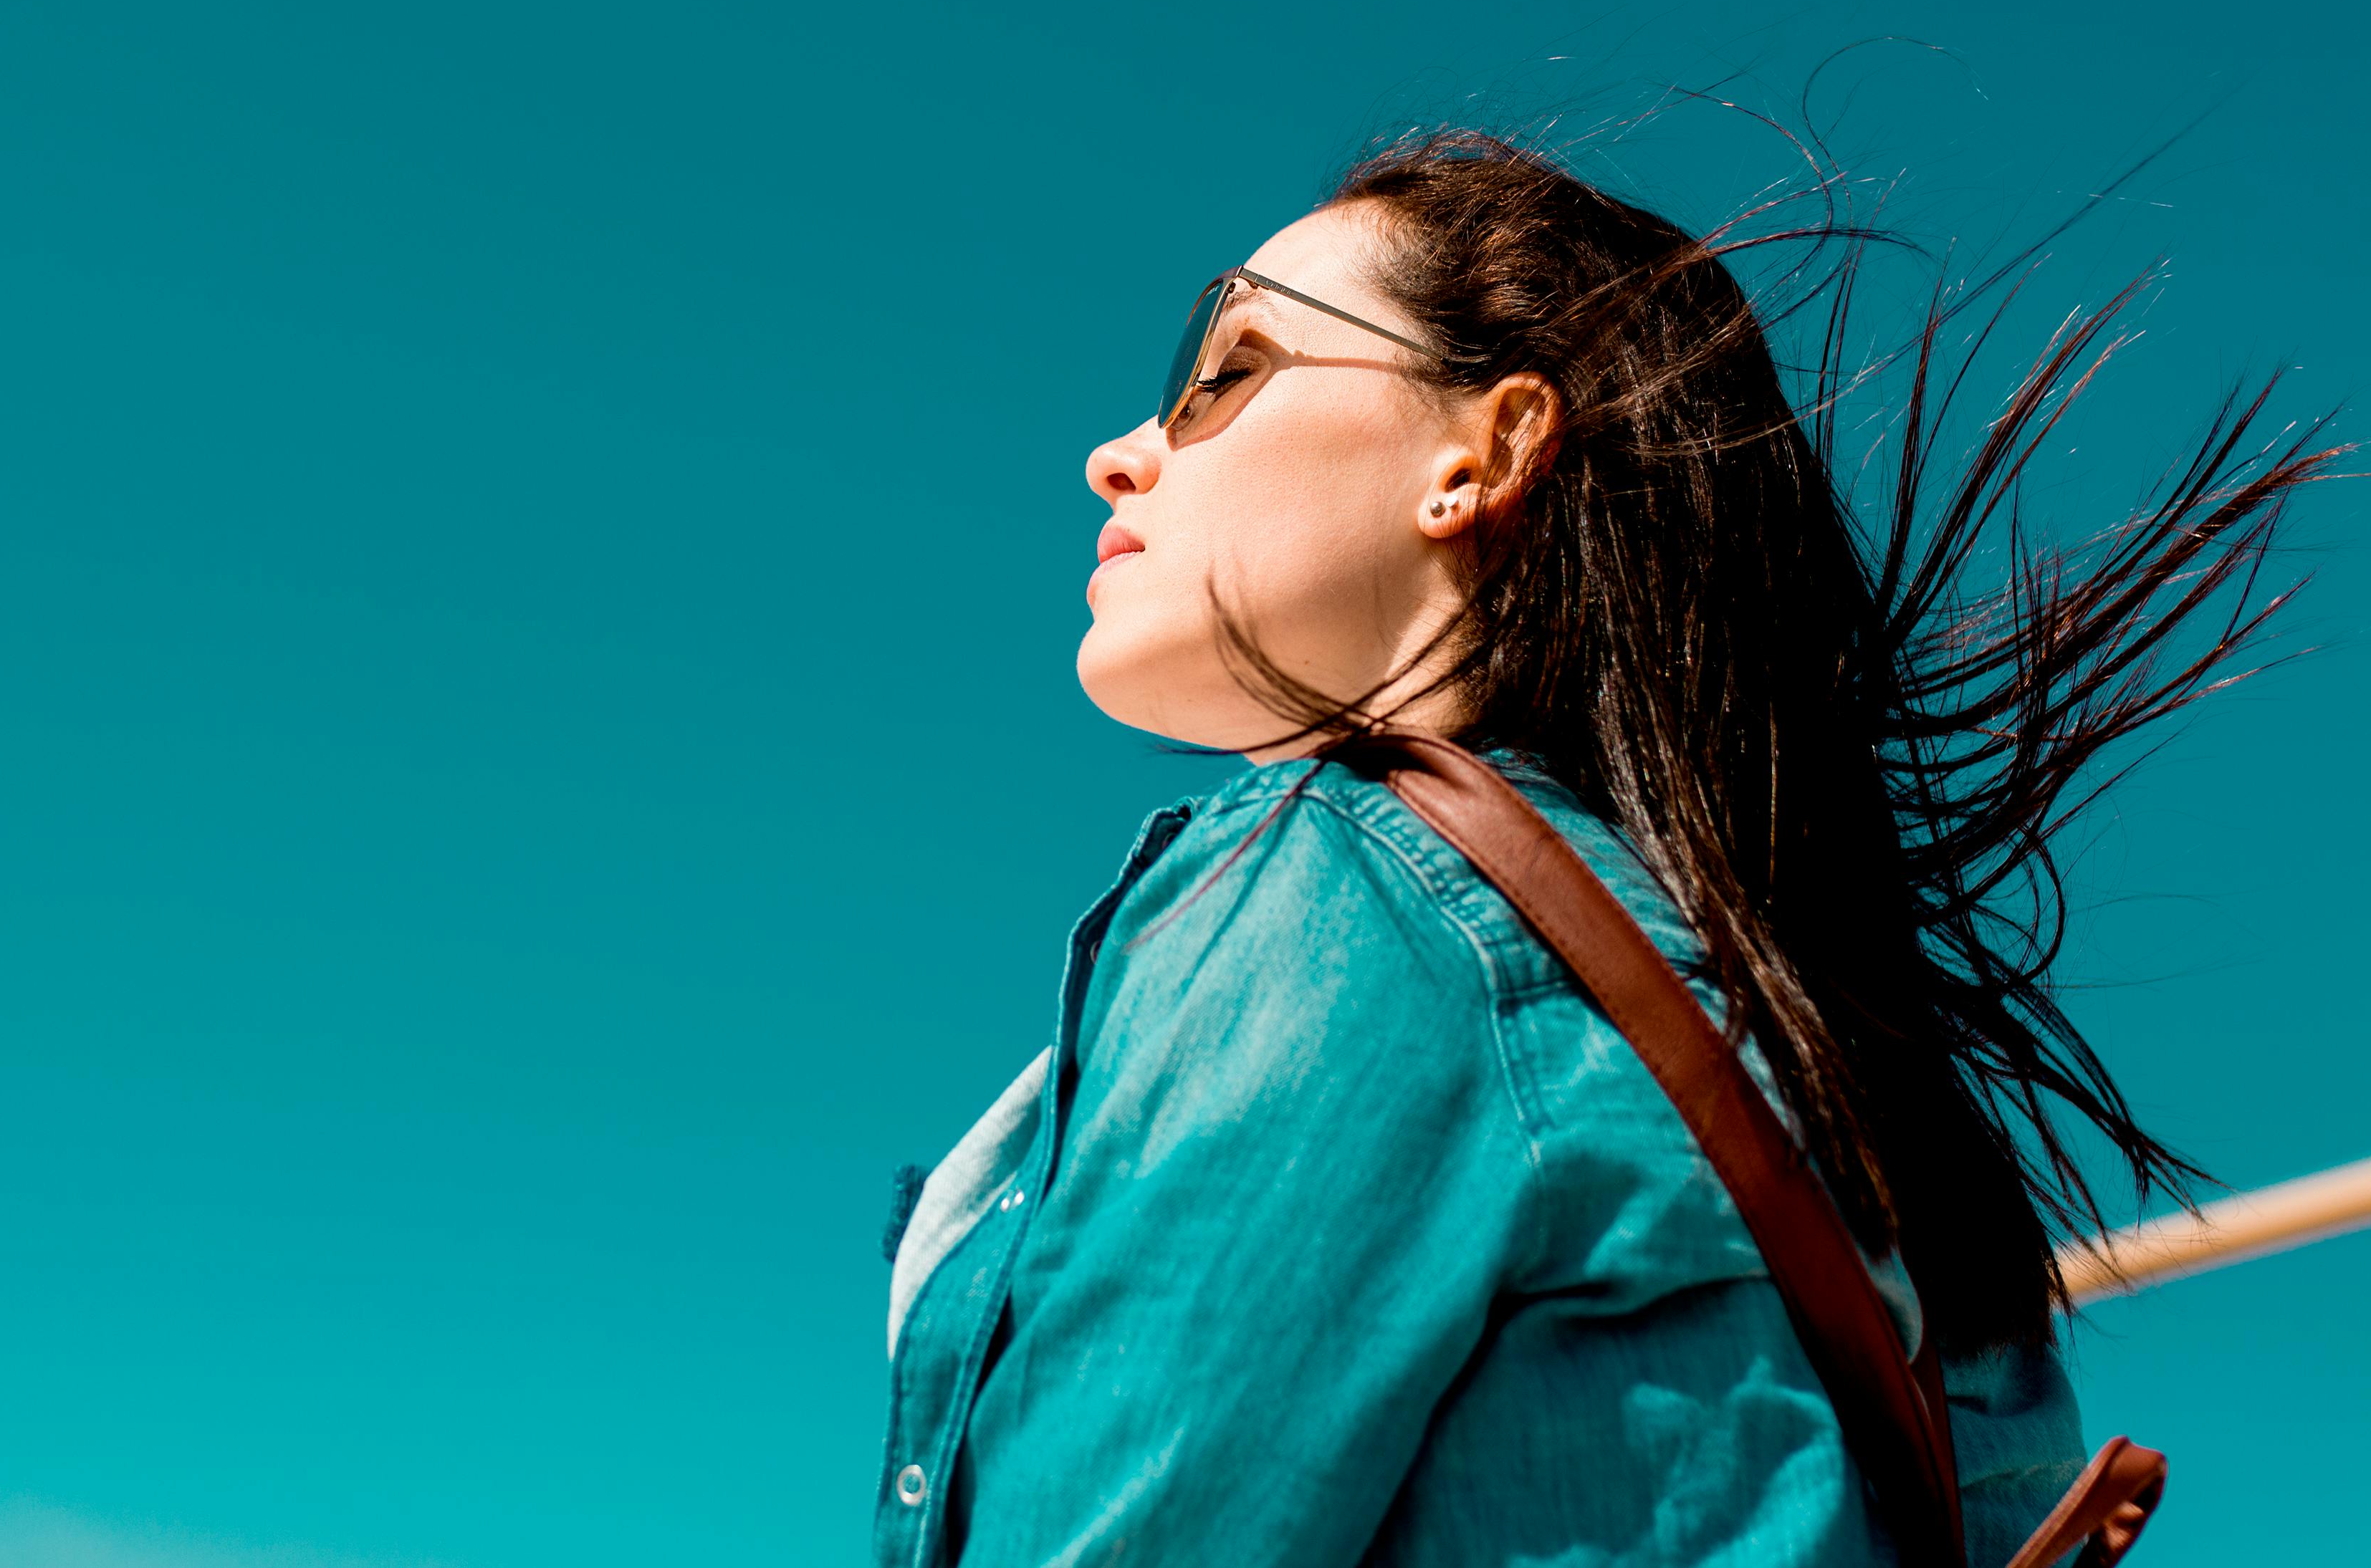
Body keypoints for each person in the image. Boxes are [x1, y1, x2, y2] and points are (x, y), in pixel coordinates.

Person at [873, 128, 2327, 1567]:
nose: (1115, 454)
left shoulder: (1343, 889)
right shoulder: (1817, 1047)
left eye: (1225, 373)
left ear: (1482, 450)